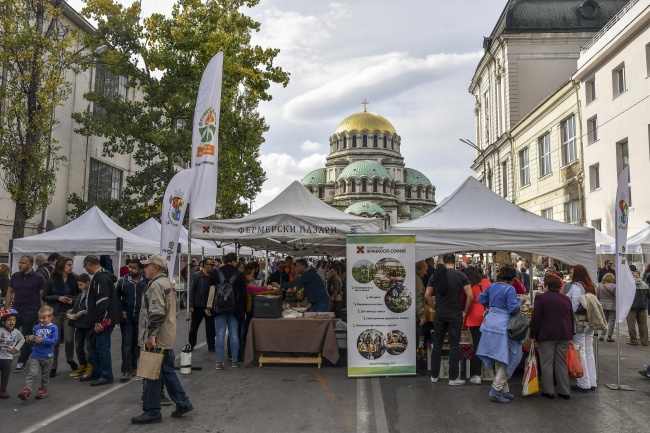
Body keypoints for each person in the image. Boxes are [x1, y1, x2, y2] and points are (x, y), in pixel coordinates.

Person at [132, 255, 193, 424]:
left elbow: (156, 313)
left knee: (151, 374)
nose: (145, 269)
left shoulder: (157, 285)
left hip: (157, 338)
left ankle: (152, 411)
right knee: (166, 370)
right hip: (165, 335)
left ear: (156, 268)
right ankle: (182, 402)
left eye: (147, 266)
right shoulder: (166, 283)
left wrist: (151, 336)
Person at [476, 266, 523, 403]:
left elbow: (480, 298)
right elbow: (513, 308)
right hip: (503, 325)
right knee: (512, 356)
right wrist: (521, 302)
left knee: (498, 357)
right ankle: (496, 390)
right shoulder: (510, 289)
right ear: (513, 279)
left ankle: (504, 390)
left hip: (490, 323)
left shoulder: (492, 286)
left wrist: (493, 306)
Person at [425, 253, 473, 385]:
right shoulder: (461, 276)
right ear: (455, 261)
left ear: (443, 261)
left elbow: (427, 295)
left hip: (440, 314)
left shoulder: (436, 275)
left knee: (437, 343)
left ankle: (434, 375)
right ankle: (453, 378)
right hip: (455, 314)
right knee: (454, 345)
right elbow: (470, 296)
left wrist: (435, 307)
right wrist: (465, 311)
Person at [529, 274, 573, 400]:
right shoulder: (566, 299)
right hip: (564, 334)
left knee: (547, 364)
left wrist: (532, 334)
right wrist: (571, 334)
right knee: (561, 363)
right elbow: (571, 318)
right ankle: (564, 391)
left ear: (546, 285)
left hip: (546, 335)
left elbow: (536, 318)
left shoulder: (541, 298)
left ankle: (549, 391)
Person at [80, 255, 119, 386]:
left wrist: (98, 321)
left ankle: (106, 375)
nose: (85, 269)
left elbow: (102, 300)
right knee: (95, 346)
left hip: (104, 320)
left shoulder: (101, 278)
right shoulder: (101, 277)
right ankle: (97, 372)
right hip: (101, 318)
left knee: (102, 347)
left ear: (89, 264)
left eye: (85, 266)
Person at [5, 255, 46, 373]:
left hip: (31, 310)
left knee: (26, 336)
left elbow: (42, 295)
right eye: (20, 262)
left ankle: (21, 361)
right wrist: (7, 308)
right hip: (16, 310)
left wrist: (43, 312)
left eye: (23, 263)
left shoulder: (39, 277)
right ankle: (6, 358)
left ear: (30, 264)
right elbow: (10, 291)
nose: (20, 265)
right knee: (10, 334)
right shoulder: (15, 276)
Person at [207, 253, 247, 370]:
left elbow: (210, 291)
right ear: (234, 261)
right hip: (235, 309)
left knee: (220, 333)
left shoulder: (216, 273)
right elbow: (244, 294)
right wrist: (243, 310)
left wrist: (208, 307)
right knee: (234, 333)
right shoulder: (239, 274)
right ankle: (234, 361)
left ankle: (218, 362)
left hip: (219, 308)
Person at [42, 256, 78, 377]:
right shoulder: (52, 278)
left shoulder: (74, 278)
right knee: (55, 340)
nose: (71, 267)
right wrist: (58, 297)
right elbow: (45, 296)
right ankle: (53, 365)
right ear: (62, 265)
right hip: (56, 312)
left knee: (69, 339)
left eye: (71, 265)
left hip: (69, 313)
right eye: (69, 265)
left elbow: (80, 296)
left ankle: (69, 359)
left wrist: (71, 300)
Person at [567, 264, 598, 392]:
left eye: (572, 272)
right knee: (589, 352)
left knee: (581, 351)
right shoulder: (590, 286)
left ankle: (584, 382)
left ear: (577, 274)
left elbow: (573, 304)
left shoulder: (576, 286)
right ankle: (592, 381)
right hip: (590, 322)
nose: (570, 274)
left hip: (579, 322)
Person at [116, 258, 147, 382]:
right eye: (130, 267)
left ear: (140, 269)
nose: (130, 270)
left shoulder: (146, 282)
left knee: (137, 343)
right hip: (127, 316)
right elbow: (116, 297)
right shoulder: (123, 281)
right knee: (127, 343)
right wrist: (121, 310)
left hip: (141, 316)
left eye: (134, 268)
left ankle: (134, 367)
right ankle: (126, 370)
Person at [17, 305, 57, 400]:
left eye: (44, 318)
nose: (42, 320)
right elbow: (35, 339)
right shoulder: (36, 328)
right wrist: (31, 340)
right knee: (32, 373)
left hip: (48, 355)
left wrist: (42, 340)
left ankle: (43, 390)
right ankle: (27, 390)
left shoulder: (54, 328)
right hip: (36, 354)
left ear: (50, 317)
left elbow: (54, 341)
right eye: (40, 318)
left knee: (45, 375)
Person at [462, 266, 485, 385]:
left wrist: (464, 312)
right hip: (486, 315)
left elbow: (468, 299)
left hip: (474, 316)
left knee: (477, 345)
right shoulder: (486, 282)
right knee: (483, 344)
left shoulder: (469, 286)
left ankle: (477, 374)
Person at [188, 258, 216, 352]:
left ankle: (211, 345)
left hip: (209, 305)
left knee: (210, 327)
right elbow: (191, 290)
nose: (212, 266)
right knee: (194, 327)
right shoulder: (197, 276)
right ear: (205, 265)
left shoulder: (213, 276)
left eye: (213, 265)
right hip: (198, 305)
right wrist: (191, 304)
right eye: (211, 265)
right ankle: (191, 344)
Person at [69, 274, 94, 379]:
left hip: (88, 324)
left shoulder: (93, 294)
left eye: (81, 285)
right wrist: (73, 311)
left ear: (88, 282)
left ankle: (90, 365)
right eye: (78, 285)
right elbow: (77, 306)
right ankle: (82, 364)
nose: (79, 287)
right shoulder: (81, 295)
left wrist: (83, 312)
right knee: (78, 345)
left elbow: (93, 309)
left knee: (89, 347)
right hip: (79, 324)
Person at [0, 308, 25, 399]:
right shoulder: (1, 330)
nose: (12, 322)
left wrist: (16, 348)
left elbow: (22, 340)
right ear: (3, 321)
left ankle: (3, 390)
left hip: (8, 358)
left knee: (5, 375)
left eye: (13, 320)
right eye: (9, 320)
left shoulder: (16, 332)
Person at [626, 269, 649, 346]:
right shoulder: (644, 284)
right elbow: (648, 295)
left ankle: (633, 340)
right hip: (642, 307)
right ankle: (645, 341)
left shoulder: (628, 284)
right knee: (643, 324)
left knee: (631, 324)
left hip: (631, 307)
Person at [597, 273, 616, 342]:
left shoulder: (600, 286)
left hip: (602, 305)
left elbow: (597, 296)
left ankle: (602, 335)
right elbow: (617, 296)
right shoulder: (614, 286)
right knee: (611, 320)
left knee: (604, 320)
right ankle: (609, 336)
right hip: (612, 305)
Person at [415, 261, 428, 327]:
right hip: (416, 317)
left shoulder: (415, 278)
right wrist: (422, 315)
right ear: (419, 269)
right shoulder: (418, 280)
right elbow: (418, 298)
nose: (426, 273)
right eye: (425, 270)